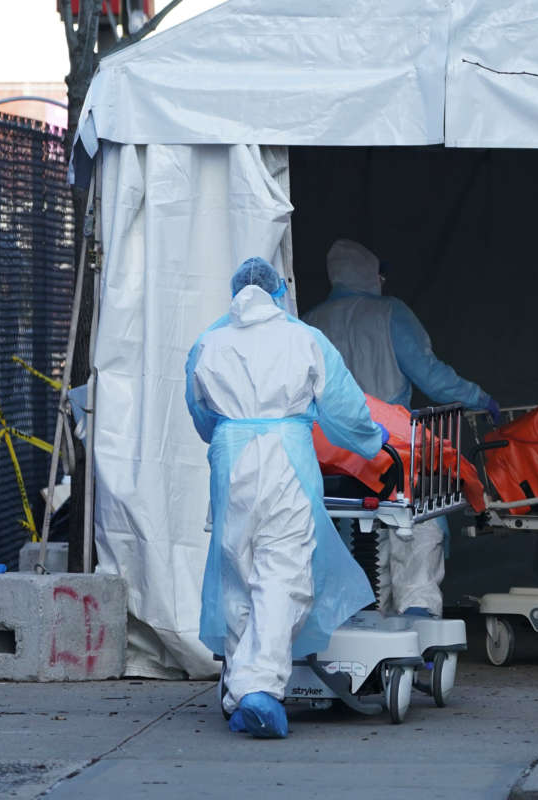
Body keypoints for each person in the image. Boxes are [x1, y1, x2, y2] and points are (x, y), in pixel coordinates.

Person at [186, 257, 389, 739]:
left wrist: (233, 434)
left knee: (238, 570)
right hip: (286, 462)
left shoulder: (208, 344)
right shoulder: (304, 339)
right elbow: (341, 404)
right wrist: (370, 438)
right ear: (279, 294)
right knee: (283, 572)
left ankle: (239, 690)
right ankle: (260, 690)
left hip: (230, 459)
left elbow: (200, 415)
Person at [304, 239, 499, 618]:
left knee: (350, 536)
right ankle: (416, 623)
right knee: (415, 527)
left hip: (333, 455)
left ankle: (357, 621)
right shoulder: (390, 313)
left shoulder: (311, 323)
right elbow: (432, 376)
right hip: (394, 444)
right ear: (372, 273)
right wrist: (479, 397)